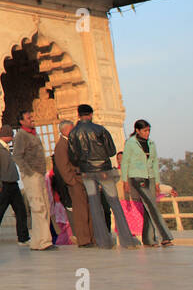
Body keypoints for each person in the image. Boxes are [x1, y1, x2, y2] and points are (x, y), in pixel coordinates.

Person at [67, 104, 139, 249]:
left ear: (78, 115)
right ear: (91, 114)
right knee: (115, 204)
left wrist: (83, 162)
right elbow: (112, 151)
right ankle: (127, 240)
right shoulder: (100, 129)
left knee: (94, 206)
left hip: (86, 172)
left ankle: (103, 242)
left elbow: (72, 157)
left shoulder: (73, 133)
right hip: (104, 171)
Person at [12, 110, 54, 250]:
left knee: (44, 207)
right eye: (28, 118)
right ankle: (44, 242)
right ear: (21, 121)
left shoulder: (33, 134)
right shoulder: (21, 135)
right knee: (38, 207)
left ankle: (38, 240)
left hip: (40, 174)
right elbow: (17, 156)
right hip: (32, 175)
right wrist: (29, 172)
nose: (32, 119)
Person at [0, 126, 27, 246]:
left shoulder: (6, 148)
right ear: (6, 135)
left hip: (13, 184)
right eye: (11, 135)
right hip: (4, 185)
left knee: (20, 210)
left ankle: (23, 237)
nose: (12, 138)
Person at [53, 119, 93, 247]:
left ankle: (91, 236)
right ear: (65, 130)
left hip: (82, 179)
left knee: (88, 209)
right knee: (80, 212)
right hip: (75, 182)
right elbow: (63, 167)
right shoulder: (61, 145)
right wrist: (72, 181)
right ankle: (83, 239)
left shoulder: (73, 142)